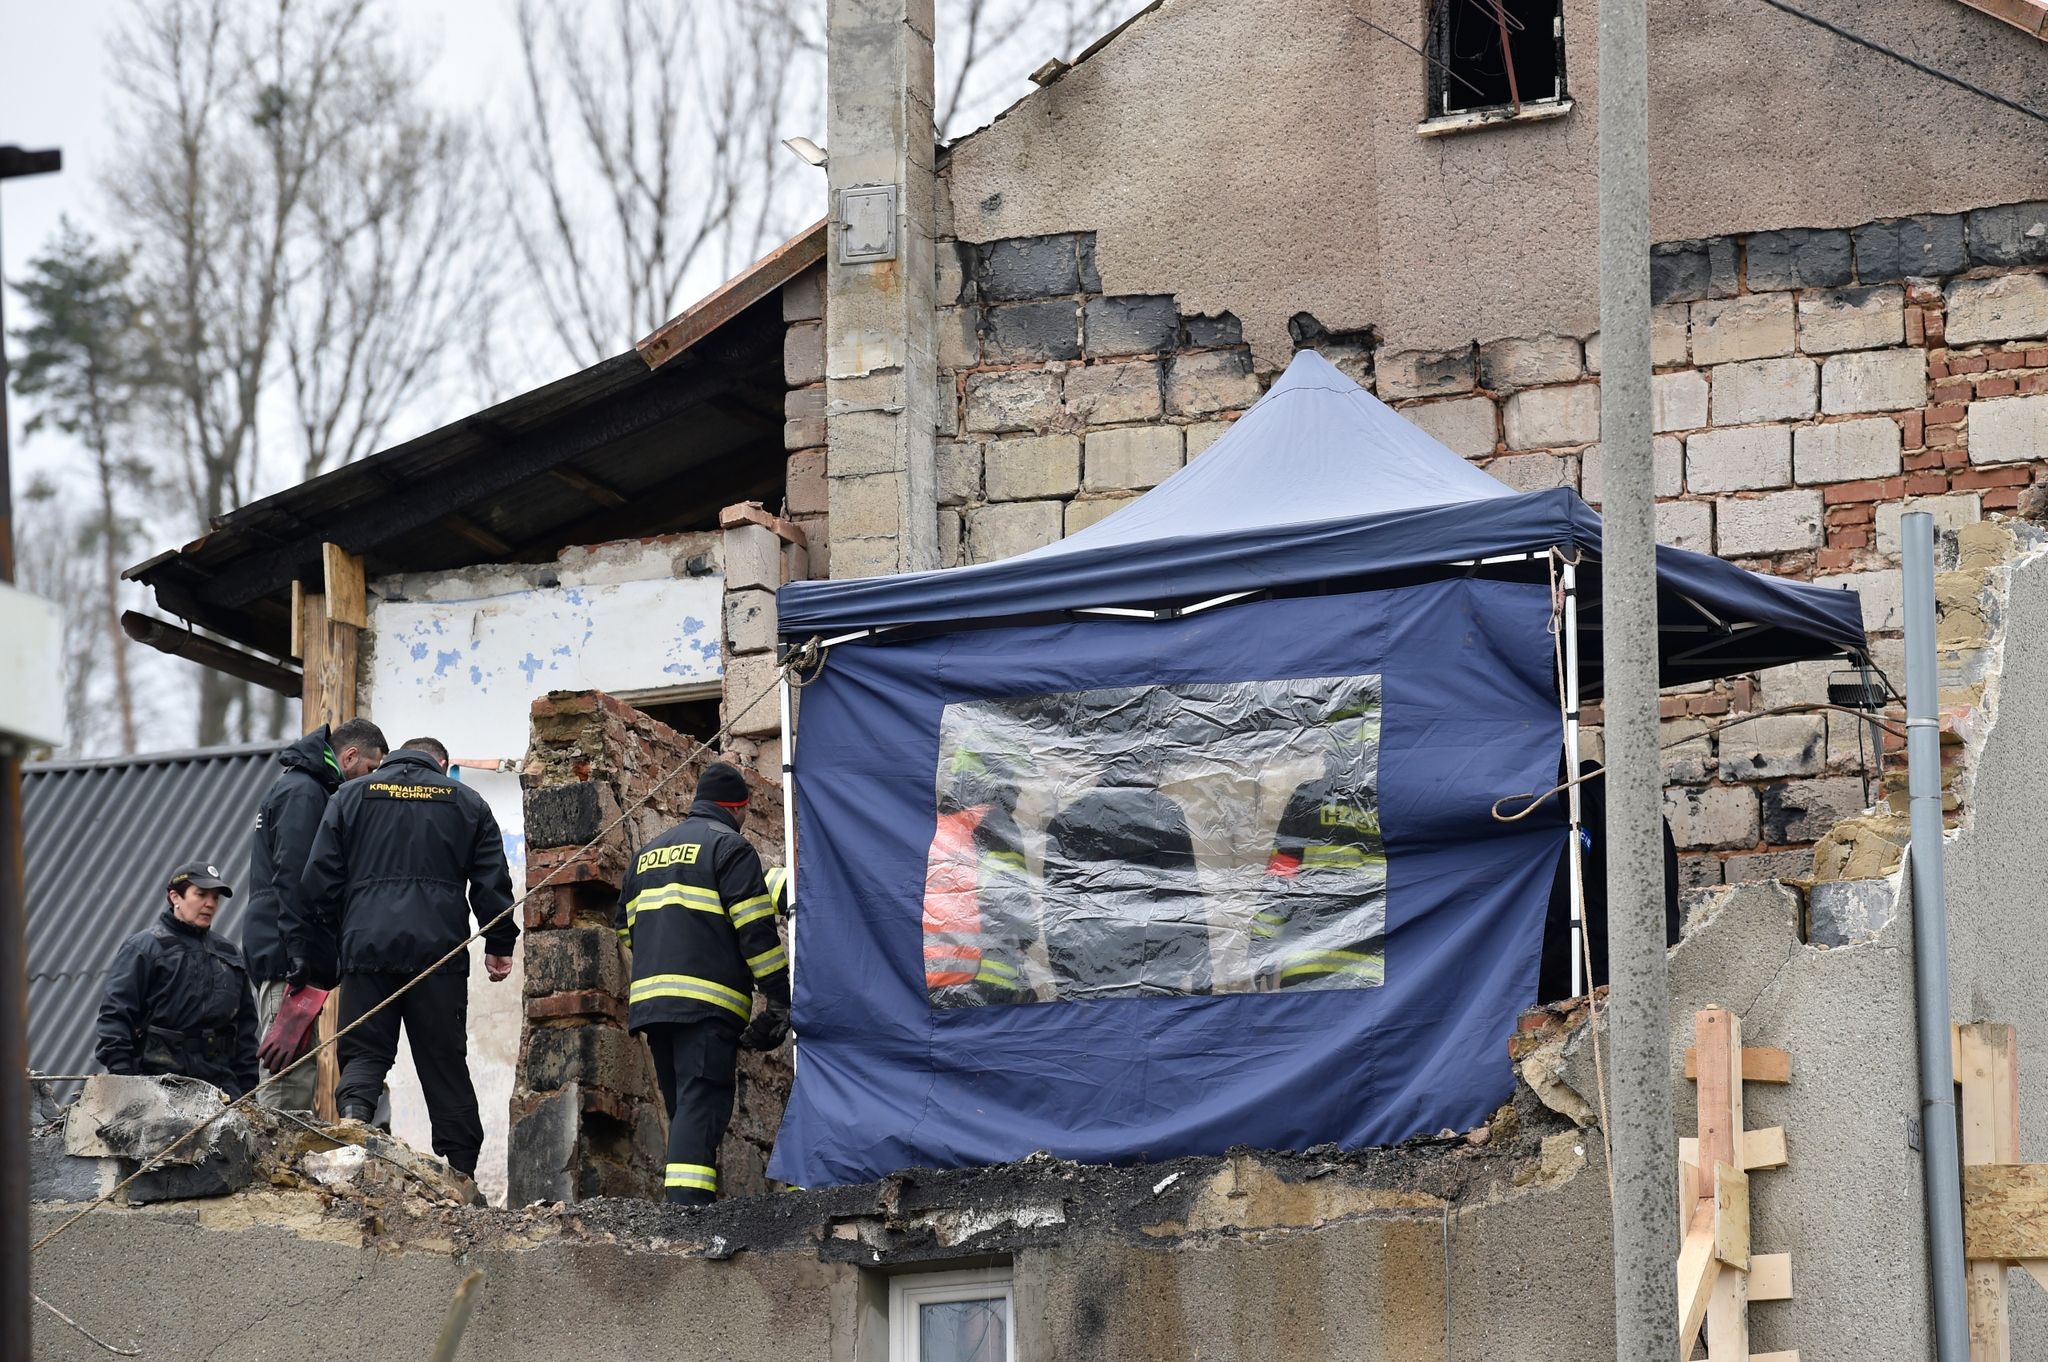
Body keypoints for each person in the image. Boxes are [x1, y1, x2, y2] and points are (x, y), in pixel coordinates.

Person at [298, 736, 515, 1177]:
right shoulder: (467, 801)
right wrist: (499, 944)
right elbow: (492, 881)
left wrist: (347, 930)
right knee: (443, 1061)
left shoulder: (350, 795)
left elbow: (317, 879)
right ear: (442, 763)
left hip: (367, 949)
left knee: (363, 1053)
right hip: (439, 955)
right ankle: (464, 1175)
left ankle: (355, 1135)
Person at [614, 762, 790, 1206]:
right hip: (706, 1005)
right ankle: (687, 1221)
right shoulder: (730, 847)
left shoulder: (647, 854)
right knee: (701, 1105)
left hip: (654, 1005)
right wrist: (778, 999)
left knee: (685, 1111)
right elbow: (755, 930)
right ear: (739, 807)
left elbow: (625, 929)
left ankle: (688, 1206)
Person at [241, 717, 387, 1109]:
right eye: (370, 769)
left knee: (298, 1060)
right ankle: (277, 1166)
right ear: (351, 755)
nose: (370, 779)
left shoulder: (305, 786)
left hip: (285, 942)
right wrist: (299, 948)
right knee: (288, 1069)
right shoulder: (304, 793)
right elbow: (293, 875)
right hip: (286, 951)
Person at [1041, 757, 1211, 1000]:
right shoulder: (1165, 814)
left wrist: (1065, 978)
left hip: (1089, 965)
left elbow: (1055, 909)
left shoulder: (1069, 819)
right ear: (1145, 766)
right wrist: (1202, 978)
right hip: (1155, 964)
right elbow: (1186, 897)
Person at [1253, 702, 1388, 991]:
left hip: (1306, 958)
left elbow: (1279, 875)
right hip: (1375, 968)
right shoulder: (1393, 798)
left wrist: (1258, 950)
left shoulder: (1310, 795)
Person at [95, 862, 259, 1098]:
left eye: (215, 897)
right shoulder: (143, 948)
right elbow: (115, 1017)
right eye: (201, 894)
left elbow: (245, 1028)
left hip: (221, 1087)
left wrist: (247, 1091)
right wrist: (125, 1081)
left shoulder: (229, 953)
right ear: (175, 897)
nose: (210, 904)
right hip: (157, 1084)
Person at [1537, 759, 1682, 1003]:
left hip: (1599, 986)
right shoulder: (1635, 797)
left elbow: (1565, 897)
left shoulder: (1579, 796)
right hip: (1655, 972)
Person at [923, 747, 1037, 1008]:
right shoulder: (992, 824)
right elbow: (1016, 914)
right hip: (984, 982)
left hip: (923, 983)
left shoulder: (934, 827)